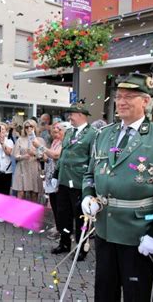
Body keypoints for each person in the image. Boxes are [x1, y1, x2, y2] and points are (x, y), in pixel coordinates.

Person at [82, 73, 153, 301]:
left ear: (146, 101)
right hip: (105, 230)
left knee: (137, 294)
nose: (121, 101)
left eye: (130, 96)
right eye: (119, 96)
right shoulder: (104, 135)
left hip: (138, 235)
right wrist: (87, 197)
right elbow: (90, 174)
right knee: (104, 291)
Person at [50, 101, 96, 261]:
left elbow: (93, 159)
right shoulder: (69, 133)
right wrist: (56, 175)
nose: (69, 117)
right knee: (64, 214)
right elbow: (62, 156)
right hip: (64, 180)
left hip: (79, 181)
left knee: (81, 217)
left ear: (81, 115)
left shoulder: (93, 134)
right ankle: (64, 243)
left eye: (72, 114)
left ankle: (82, 247)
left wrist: (91, 183)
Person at [33, 122, 65, 239]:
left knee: (59, 205)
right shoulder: (55, 142)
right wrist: (43, 157)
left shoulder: (64, 143)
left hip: (58, 177)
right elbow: (50, 158)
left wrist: (40, 147)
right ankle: (57, 225)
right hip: (50, 176)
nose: (56, 134)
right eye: (54, 132)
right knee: (53, 202)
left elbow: (56, 155)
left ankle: (60, 230)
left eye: (58, 131)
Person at [12, 119, 45, 202]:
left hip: (34, 167)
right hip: (22, 167)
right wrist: (23, 156)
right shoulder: (20, 139)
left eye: (31, 126)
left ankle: (32, 213)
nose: (29, 128)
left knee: (34, 193)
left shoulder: (40, 140)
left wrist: (34, 153)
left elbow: (43, 156)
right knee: (20, 192)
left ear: (35, 127)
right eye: (26, 127)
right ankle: (19, 213)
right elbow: (15, 155)